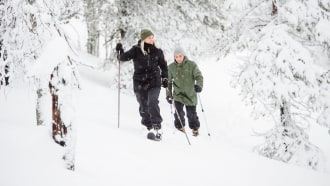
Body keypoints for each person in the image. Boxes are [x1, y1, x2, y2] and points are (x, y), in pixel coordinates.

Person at [115, 29, 168, 140]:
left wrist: (165, 78)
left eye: (152, 37)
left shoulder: (158, 51)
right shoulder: (136, 50)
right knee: (143, 105)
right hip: (140, 82)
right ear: (144, 39)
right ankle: (148, 127)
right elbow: (122, 57)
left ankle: (157, 127)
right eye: (149, 37)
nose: (152, 39)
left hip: (154, 81)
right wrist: (119, 49)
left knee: (152, 101)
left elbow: (163, 66)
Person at [166, 46, 203, 136]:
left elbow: (199, 76)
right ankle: (180, 128)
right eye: (176, 57)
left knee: (191, 115)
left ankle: (195, 128)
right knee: (178, 112)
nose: (178, 58)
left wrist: (199, 85)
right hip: (178, 94)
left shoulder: (192, 65)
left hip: (190, 94)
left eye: (180, 56)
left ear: (184, 55)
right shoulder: (171, 67)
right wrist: (169, 95)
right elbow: (168, 82)